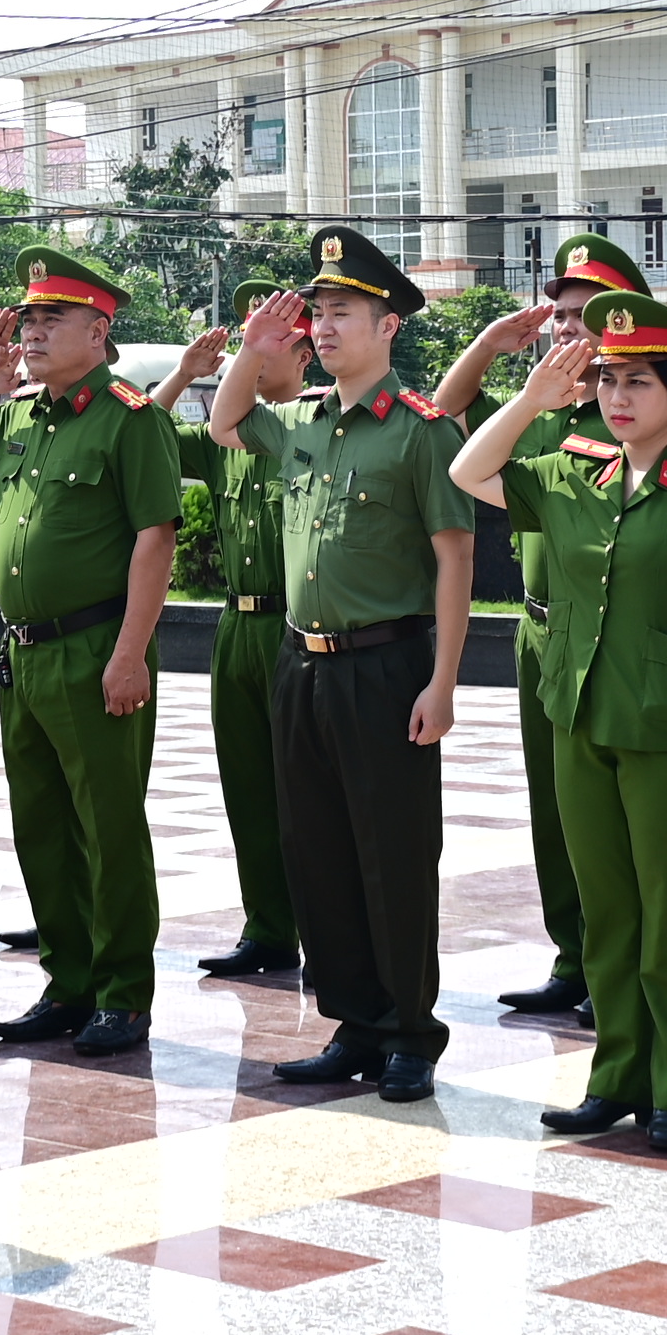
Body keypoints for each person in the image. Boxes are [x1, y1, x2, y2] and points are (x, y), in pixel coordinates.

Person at [450, 300, 667, 1150]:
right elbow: (469, 474)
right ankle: (615, 1077)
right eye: (607, 379)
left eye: (637, 381)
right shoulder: (570, 470)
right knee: (607, 912)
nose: (617, 396)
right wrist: (530, 401)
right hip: (579, 716)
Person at [211, 227, 476, 1103]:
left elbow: (454, 557)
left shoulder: (421, 431)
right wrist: (253, 352)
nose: (324, 328)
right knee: (315, 849)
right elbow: (223, 422)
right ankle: (353, 1022)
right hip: (302, 662)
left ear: (388, 324)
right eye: (317, 313)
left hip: (385, 665)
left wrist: (441, 682)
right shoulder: (302, 423)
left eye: (343, 313)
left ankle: (409, 1033)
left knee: (392, 854)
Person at [0, 248, 182, 1057]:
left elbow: (155, 536)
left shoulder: (129, 417)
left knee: (108, 829)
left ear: (98, 329)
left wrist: (131, 652)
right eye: (27, 318)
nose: (32, 332)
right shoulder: (24, 415)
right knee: (39, 824)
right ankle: (67, 981)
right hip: (23, 653)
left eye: (51, 319)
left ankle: (122, 995)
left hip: (95, 644)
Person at [153, 280, 304, 979]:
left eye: (264, 343)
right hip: (236, 626)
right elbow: (141, 431)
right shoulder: (222, 437)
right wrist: (186, 374)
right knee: (245, 784)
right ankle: (266, 927)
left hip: (296, 627)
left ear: (300, 352)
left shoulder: (313, 425)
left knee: (304, 790)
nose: (249, 353)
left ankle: (317, 925)